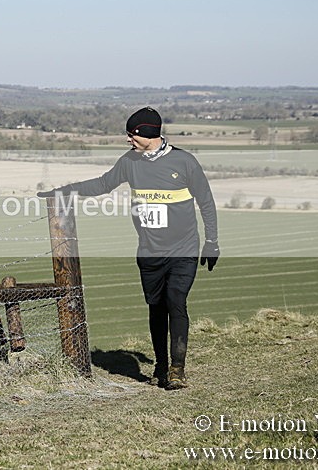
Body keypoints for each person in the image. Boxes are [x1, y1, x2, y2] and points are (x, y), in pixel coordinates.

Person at [37, 106, 219, 390]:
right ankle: (160, 364)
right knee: (156, 307)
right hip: (149, 251)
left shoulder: (185, 162)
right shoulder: (130, 162)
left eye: (131, 134)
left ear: (147, 133)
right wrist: (63, 191)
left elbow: (206, 202)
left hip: (183, 249)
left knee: (176, 301)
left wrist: (212, 242)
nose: (128, 140)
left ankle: (177, 369)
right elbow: (102, 184)